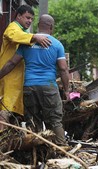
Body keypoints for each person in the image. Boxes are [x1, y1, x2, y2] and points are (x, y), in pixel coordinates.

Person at [0, 14, 69, 145]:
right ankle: (61, 150)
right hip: (48, 87)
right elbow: (64, 69)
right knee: (54, 120)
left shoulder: (27, 43)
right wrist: (67, 91)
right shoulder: (57, 44)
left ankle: (35, 151)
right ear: (51, 27)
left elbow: (11, 64)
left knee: (32, 121)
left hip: (29, 87)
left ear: (38, 25)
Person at [0, 5, 51, 130]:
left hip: (18, 79)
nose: (29, 21)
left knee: (12, 112)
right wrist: (35, 37)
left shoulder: (23, 32)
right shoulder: (13, 27)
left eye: (32, 19)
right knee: (5, 110)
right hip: (8, 77)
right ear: (18, 16)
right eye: (27, 18)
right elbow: (13, 35)